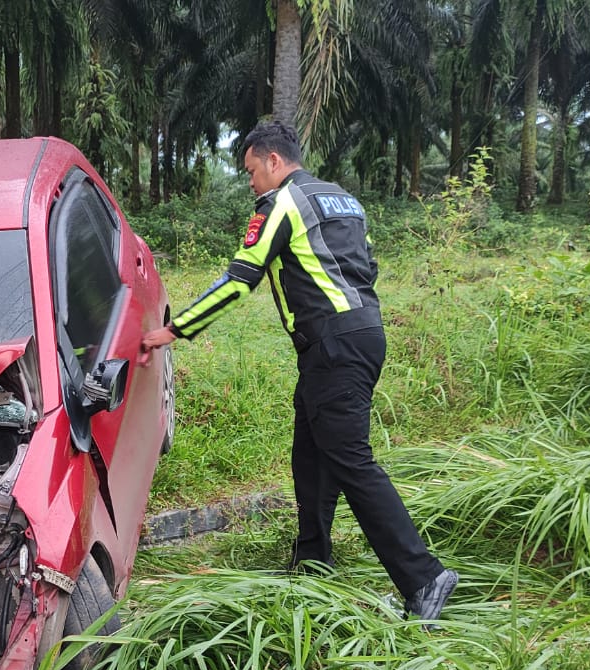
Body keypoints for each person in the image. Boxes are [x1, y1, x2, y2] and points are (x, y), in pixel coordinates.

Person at [140, 121, 457, 623]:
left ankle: (423, 576)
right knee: (311, 452)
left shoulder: (280, 204)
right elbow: (364, 269)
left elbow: (240, 279)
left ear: (272, 160)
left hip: (334, 345)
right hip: (358, 337)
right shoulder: (342, 199)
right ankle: (312, 560)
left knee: (352, 461)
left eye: (250, 172)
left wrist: (173, 330)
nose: (249, 184)